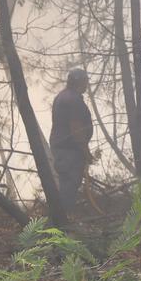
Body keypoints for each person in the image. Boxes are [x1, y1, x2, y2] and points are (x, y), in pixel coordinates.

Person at [49, 68, 93, 216]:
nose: (87, 84)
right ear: (79, 81)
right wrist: (85, 151)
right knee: (69, 186)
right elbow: (76, 128)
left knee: (66, 185)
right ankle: (62, 223)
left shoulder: (62, 97)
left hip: (62, 148)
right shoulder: (73, 100)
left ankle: (61, 221)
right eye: (85, 81)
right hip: (70, 150)